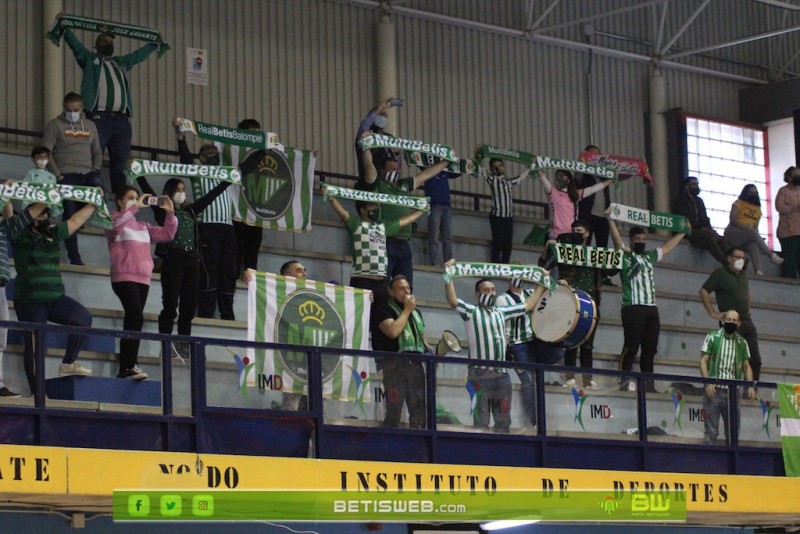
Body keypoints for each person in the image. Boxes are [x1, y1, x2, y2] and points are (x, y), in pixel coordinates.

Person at [137, 174, 232, 360]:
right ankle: (166, 344)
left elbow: (211, 196)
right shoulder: (163, 210)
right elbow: (148, 190)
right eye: (177, 190)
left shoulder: (191, 211)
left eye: (183, 190)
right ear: (170, 192)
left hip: (192, 260)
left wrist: (227, 181)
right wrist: (139, 174)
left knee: (188, 306)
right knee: (170, 304)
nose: (181, 193)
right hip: (173, 258)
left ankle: (184, 345)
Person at [444, 260, 547, 432]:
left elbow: (528, 305)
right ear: (477, 294)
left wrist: (542, 283)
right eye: (486, 290)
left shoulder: (502, 311)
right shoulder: (471, 311)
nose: (491, 293)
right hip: (479, 373)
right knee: (481, 419)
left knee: (503, 421)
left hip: (501, 374)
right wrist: (448, 276)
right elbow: (453, 301)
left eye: (493, 290)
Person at [10, 200, 97, 395]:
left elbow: (75, 219)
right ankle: (38, 394)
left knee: (82, 319)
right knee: (35, 346)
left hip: (55, 297)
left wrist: (94, 203)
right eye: (39, 213)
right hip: (29, 299)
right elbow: (9, 215)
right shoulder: (19, 233)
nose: (43, 217)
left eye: (45, 213)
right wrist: (44, 198)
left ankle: (68, 362)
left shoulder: (53, 233)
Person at [61, 22, 159, 193]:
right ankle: (88, 189)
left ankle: (120, 193)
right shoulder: (90, 59)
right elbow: (75, 46)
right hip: (99, 117)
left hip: (122, 119)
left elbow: (138, 55)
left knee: (120, 159)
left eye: (111, 42)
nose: (110, 44)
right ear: (97, 46)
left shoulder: (121, 63)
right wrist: (65, 27)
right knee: (93, 154)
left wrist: (154, 43)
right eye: (106, 41)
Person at [608, 214, 687, 392]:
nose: (641, 242)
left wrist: (683, 232)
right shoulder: (625, 255)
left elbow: (667, 247)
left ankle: (648, 384)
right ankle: (623, 381)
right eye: (638, 239)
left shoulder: (649, 256)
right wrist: (610, 220)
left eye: (644, 239)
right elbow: (616, 239)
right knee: (631, 347)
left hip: (651, 308)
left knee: (650, 349)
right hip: (632, 307)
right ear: (632, 240)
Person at [106, 187, 176, 379]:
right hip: (124, 276)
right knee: (136, 315)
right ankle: (130, 364)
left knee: (133, 319)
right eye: (130, 198)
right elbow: (117, 226)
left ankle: (126, 367)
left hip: (143, 278)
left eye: (137, 198)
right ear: (120, 201)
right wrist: (135, 207)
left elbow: (167, 234)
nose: (135, 201)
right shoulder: (114, 218)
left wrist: (170, 212)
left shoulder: (144, 226)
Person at [362, 138, 448, 287]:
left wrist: (445, 162)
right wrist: (366, 147)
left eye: (396, 170)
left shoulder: (403, 185)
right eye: (391, 170)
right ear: (382, 170)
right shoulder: (377, 184)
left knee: (407, 286)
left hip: (405, 243)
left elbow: (425, 175)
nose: (394, 173)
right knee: (383, 284)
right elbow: (368, 166)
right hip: (385, 241)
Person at [175, 124, 237, 320]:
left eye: (216, 152)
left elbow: (248, 166)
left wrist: (266, 147)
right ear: (201, 158)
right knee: (208, 269)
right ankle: (206, 313)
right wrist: (181, 138)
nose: (214, 155)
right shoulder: (197, 172)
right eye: (210, 153)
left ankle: (227, 313)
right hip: (206, 226)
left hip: (228, 227)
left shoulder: (227, 172)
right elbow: (185, 158)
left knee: (228, 270)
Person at [539, 220, 608, 389]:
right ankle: (570, 377)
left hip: (592, 302)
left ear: (587, 234)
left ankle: (587, 379)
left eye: (579, 230)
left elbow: (611, 270)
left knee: (588, 343)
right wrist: (549, 247)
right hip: (570, 301)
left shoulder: (595, 253)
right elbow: (544, 265)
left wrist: (622, 253)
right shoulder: (563, 250)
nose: (575, 232)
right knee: (571, 339)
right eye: (573, 230)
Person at [42, 92, 103, 265]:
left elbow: (97, 152)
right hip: (66, 174)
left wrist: (96, 170)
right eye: (68, 110)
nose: (72, 112)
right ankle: (74, 257)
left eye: (75, 109)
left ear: (82, 108)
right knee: (69, 215)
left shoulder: (90, 125)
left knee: (99, 189)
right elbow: (45, 151)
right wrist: (57, 174)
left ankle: (81, 215)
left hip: (88, 173)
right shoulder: (55, 125)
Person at [328, 195, 423, 305]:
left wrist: (421, 211)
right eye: (371, 206)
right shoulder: (355, 223)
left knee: (380, 316)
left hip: (382, 282)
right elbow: (342, 212)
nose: (375, 208)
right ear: (362, 210)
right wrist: (331, 197)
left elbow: (403, 221)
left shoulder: (382, 226)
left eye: (376, 206)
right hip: (361, 280)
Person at [0, 199, 46, 397]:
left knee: (1, 339)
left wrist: (46, 197)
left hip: (0, 285)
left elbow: (20, 219)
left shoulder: (3, 227)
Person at [371, 275, 428, 428]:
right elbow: (393, 331)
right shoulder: (382, 309)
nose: (406, 291)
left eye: (408, 288)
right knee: (393, 411)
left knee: (419, 413)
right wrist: (407, 310)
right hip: (394, 367)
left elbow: (420, 339)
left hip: (416, 367)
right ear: (391, 291)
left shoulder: (417, 313)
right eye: (401, 288)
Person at [699, 247, 763, 381]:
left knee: (755, 359)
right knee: (733, 358)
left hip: (746, 319)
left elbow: (746, 293)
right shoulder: (720, 274)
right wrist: (713, 313)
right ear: (729, 258)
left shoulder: (743, 274)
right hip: (731, 321)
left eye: (743, 258)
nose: (741, 260)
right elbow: (704, 291)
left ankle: (751, 391)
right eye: (737, 257)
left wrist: (748, 307)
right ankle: (733, 390)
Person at [699, 310, 756, 445]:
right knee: (711, 433)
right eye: (728, 319)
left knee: (733, 433)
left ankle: (733, 465)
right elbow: (703, 361)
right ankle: (708, 463)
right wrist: (707, 383)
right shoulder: (712, 337)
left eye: (734, 320)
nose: (731, 322)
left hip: (732, 392)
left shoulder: (742, 343)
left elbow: (746, 366)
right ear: (723, 321)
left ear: (739, 323)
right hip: (713, 390)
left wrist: (750, 385)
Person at [494, 277, 540, 426]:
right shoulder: (502, 299)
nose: (518, 280)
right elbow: (500, 324)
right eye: (515, 276)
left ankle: (538, 418)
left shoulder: (530, 293)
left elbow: (550, 296)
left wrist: (557, 285)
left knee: (557, 354)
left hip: (534, 341)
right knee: (528, 381)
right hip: (516, 343)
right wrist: (506, 347)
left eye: (521, 276)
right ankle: (534, 420)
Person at [537, 168, 612, 240]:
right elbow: (543, 178)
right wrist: (536, 165)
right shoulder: (552, 192)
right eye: (557, 176)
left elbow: (594, 188)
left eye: (562, 176)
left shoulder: (575, 194)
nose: (559, 178)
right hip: (555, 235)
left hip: (572, 234)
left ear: (569, 180)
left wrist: (611, 180)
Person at [723, 184, 783, 275]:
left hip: (747, 235)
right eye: (751, 192)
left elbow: (756, 228)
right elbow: (733, 219)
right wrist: (746, 227)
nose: (753, 194)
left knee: (753, 246)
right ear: (745, 193)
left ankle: (758, 271)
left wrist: (758, 238)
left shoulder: (758, 210)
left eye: (755, 193)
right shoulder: (739, 203)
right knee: (752, 232)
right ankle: (771, 255)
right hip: (733, 232)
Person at [480, 158, 530, 264]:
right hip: (497, 216)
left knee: (507, 244)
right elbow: (481, 170)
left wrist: (531, 166)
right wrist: (478, 156)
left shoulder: (509, 181)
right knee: (497, 243)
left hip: (508, 217)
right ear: (492, 169)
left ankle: (505, 266)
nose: (498, 168)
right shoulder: (492, 179)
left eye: (500, 165)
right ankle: (496, 265)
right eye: (495, 167)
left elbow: (521, 177)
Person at [671, 176, 727, 266]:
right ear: (686, 186)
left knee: (722, 240)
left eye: (697, 184)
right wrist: (703, 229)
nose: (696, 187)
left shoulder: (699, 201)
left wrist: (711, 231)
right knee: (707, 238)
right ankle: (726, 263)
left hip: (701, 229)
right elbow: (685, 220)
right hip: (686, 231)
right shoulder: (681, 201)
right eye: (693, 184)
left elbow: (705, 218)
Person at [355, 98, 399, 182]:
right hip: (371, 180)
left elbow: (397, 160)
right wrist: (381, 106)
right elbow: (365, 124)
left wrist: (397, 153)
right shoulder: (366, 135)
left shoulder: (389, 137)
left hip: (389, 181)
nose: (385, 117)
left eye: (385, 115)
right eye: (382, 115)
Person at [576, 145, 612, 248]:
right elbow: (577, 176)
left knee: (603, 246)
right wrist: (581, 159)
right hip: (587, 215)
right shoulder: (584, 175)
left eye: (597, 154)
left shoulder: (604, 174)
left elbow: (619, 174)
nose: (595, 156)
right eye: (592, 154)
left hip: (603, 216)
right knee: (585, 244)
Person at [424, 168, 459, 266]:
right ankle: (433, 263)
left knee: (447, 237)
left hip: (446, 206)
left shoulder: (445, 171)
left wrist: (470, 166)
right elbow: (418, 162)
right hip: (434, 206)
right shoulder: (428, 169)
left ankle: (448, 263)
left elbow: (457, 172)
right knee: (433, 237)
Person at [775, 166, 800, 278]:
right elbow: (779, 207)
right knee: (790, 258)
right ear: (789, 177)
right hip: (787, 231)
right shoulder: (783, 191)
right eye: (796, 174)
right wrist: (795, 207)